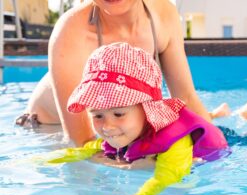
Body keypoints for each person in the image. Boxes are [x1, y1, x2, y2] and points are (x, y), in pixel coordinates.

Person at [52, 42, 229, 195]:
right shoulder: (125, 130)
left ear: (148, 109)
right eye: (98, 115)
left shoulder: (176, 140)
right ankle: (216, 113)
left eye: (118, 114)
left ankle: (242, 116)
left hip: (221, 147)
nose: (107, 126)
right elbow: (87, 149)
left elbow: (168, 179)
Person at [16, 0, 211, 147]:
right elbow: (80, 141)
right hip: (49, 128)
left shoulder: (162, 14)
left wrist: (215, 144)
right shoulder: (71, 30)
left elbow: (186, 97)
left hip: (116, 120)